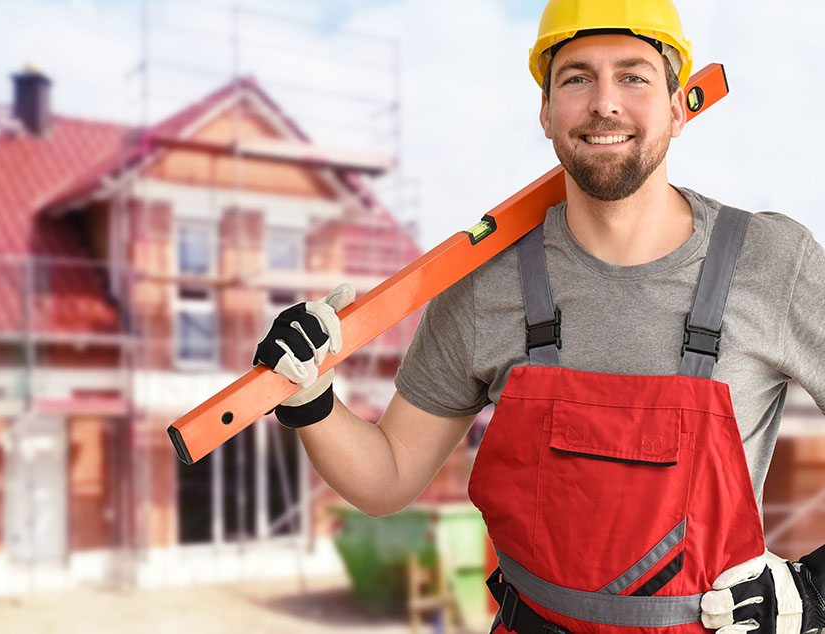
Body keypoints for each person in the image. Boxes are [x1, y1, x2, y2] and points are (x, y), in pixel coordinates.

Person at [253, 1, 825, 633]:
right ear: (547, 112)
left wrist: (815, 591)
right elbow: (388, 478)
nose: (604, 102)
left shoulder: (773, 263)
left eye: (633, 75)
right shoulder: (483, 284)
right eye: (576, 77)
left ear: (677, 104)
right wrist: (310, 401)